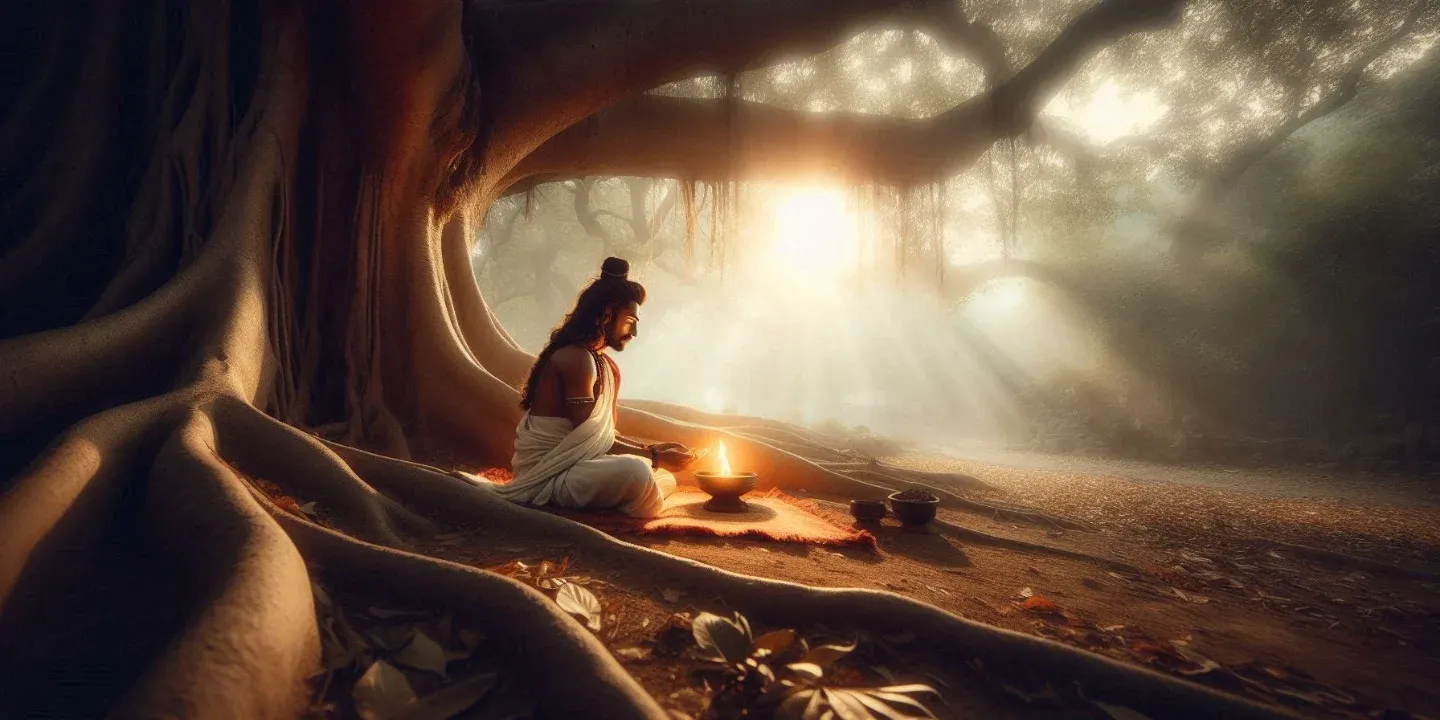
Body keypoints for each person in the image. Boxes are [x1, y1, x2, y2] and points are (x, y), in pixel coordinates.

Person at [487, 257, 698, 517]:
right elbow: (588, 438)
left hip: (581, 465)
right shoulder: (576, 358)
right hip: (550, 474)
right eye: (630, 320)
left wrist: (653, 452)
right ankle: (618, 498)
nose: (634, 333)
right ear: (607, 314)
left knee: (663, 477)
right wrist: (654, 456)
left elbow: (601, 437)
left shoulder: (601, 362)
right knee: (638, 473)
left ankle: (618, 497)